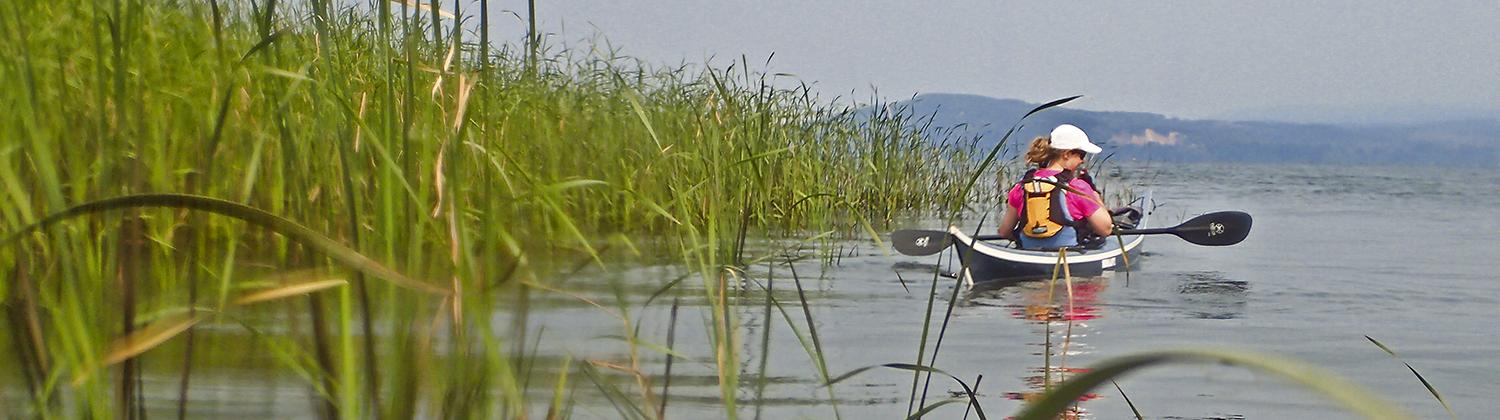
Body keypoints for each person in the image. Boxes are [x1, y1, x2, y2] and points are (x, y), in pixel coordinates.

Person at [996, 124, 1114, 250]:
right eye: (1081, 155)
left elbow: (1004, 232)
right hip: (1067, 254)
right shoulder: (1077, 187)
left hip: (1029, 252)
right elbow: (1106, 229)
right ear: (1067, 154)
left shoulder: (1021, 187)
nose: (1082, 161)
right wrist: (1095, 195)